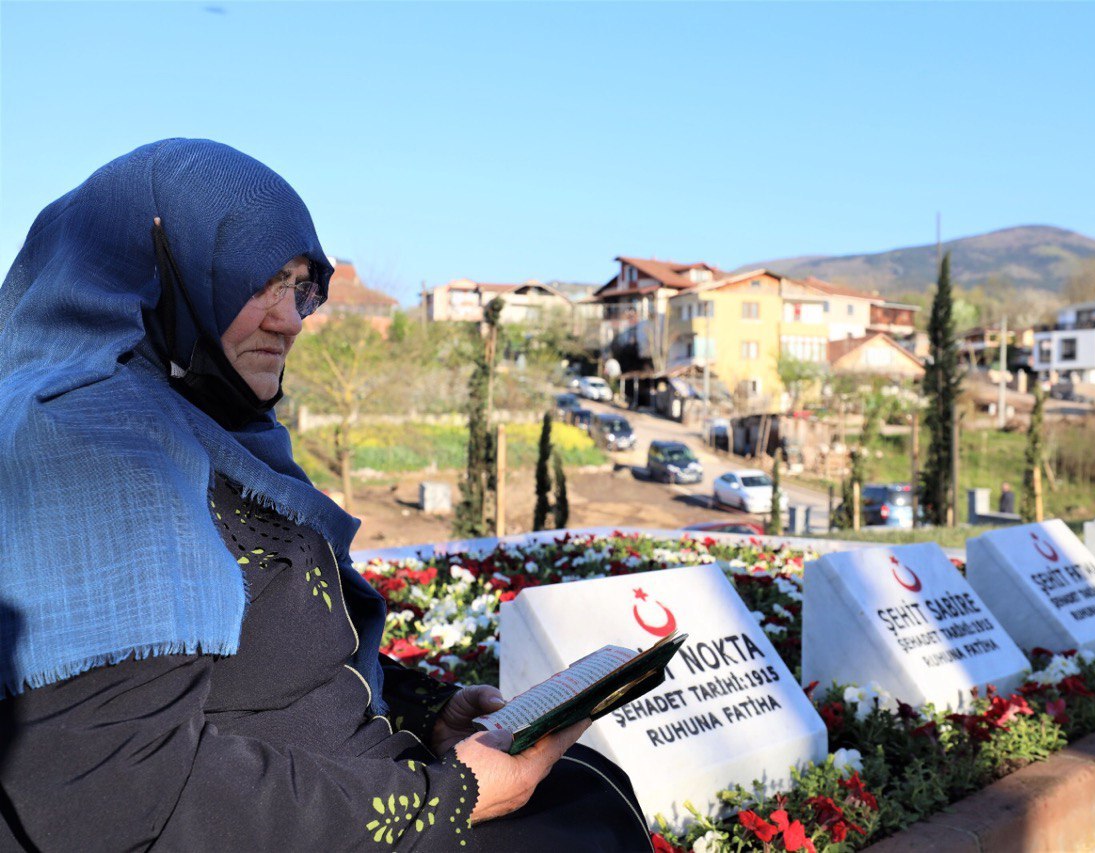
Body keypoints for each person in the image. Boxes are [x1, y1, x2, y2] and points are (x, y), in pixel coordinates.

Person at [0, 140, 649, 851]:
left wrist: (429, 713)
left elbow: (272, 652)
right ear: (166, 273)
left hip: (347, 777)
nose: (290, 319)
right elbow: (117, 789)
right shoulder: (88, 446)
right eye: (257, 281)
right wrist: (444, 799)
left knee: (586, 787)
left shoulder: (218, 430)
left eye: (301, 287)